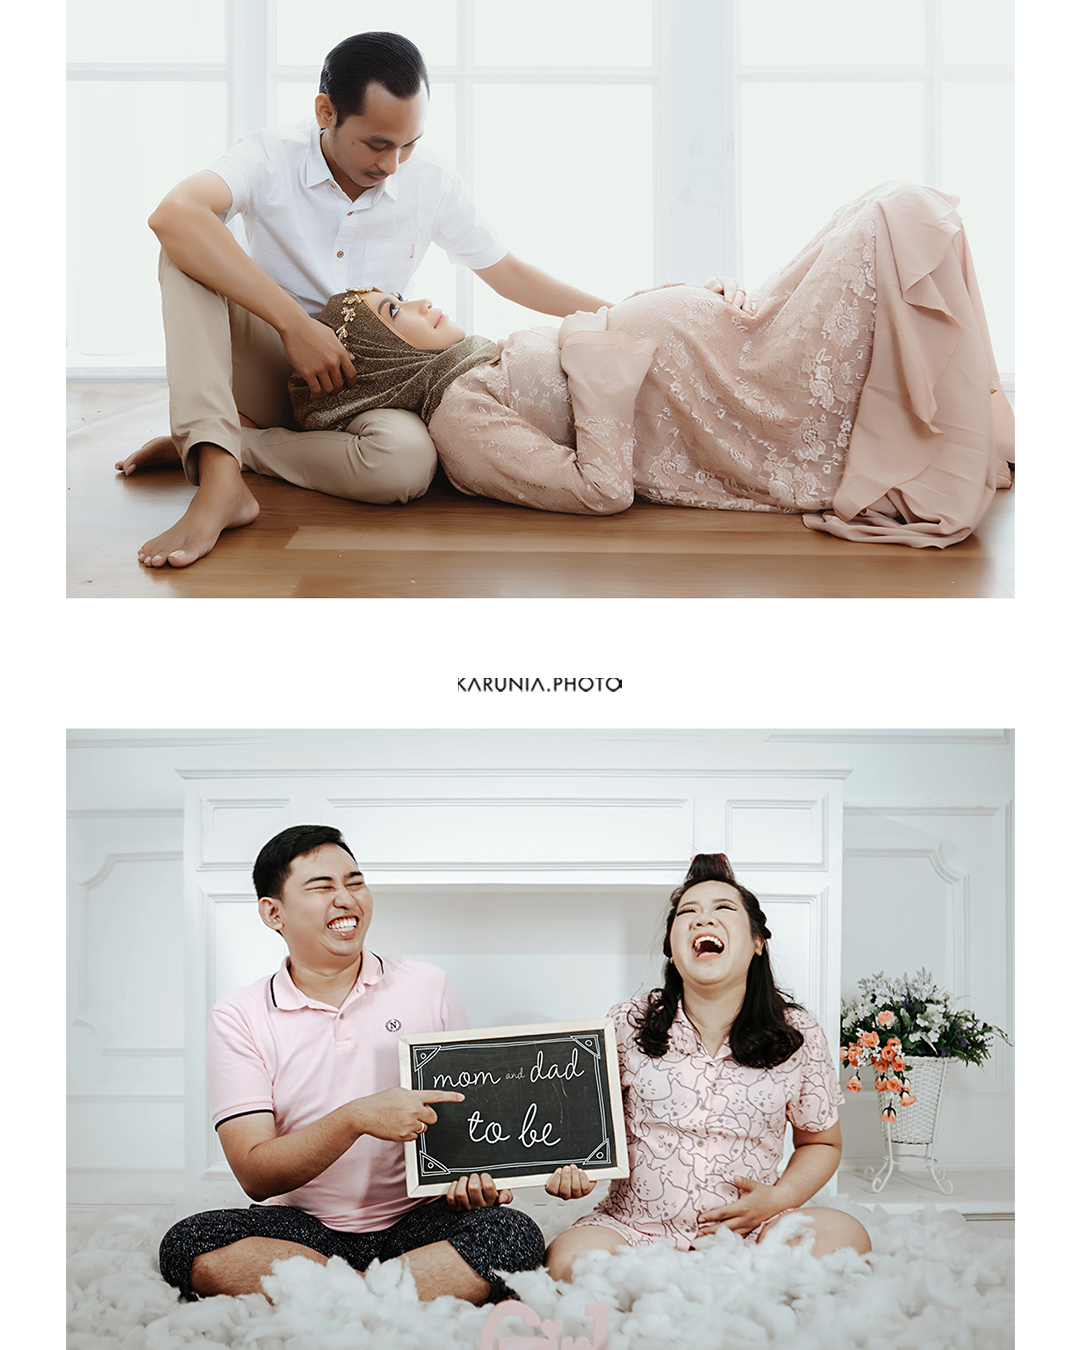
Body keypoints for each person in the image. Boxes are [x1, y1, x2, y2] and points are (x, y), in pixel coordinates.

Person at [290, 182, 1014, 547]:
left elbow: (606, 336)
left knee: (892, 212)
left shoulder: (482, 363)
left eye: (403, 296)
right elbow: (598, 488)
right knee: (901, 218)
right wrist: (603, 369)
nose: (420, 306)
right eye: (395, 313)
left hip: (740, 344)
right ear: (382, 360)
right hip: (741, 400)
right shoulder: (459, 423)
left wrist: (693, 300)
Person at [117, 31, 610, 568]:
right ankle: (218, 480)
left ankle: (226, 443)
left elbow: (509, 273)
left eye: (409, 144)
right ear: (326, 112)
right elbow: (173, 215)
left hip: (369, 385)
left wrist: (618, 315)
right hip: (274, 363)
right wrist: (294, 327)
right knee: (184, 251)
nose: (393, 165)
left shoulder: (432, 182)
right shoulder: (270, 155)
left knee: (407, 466)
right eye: (377, 144)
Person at [158, 825, 545, 1304]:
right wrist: (356, 1118)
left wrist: (472, 1183)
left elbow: (466, 1133)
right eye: (322, 887)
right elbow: (256, 1175)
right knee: (186, 1243)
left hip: (417, 1220)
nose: (346, 899)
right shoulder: (238, 1014)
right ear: (272, 912)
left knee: (514, 1233)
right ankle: (390, 1296)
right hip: (303, 1231)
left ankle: (340, 1300)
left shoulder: (428, 984)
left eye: (355, 882)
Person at [542, 853, 871, 1282]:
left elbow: (822, 1143)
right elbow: (585, 1135)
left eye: (723, 909)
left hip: (751, 1233)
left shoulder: (799, 1033)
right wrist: (575, 1170)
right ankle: (692, 1289)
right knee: (570, 1263)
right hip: (634, 1229)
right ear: (673, 952)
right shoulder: (626, 1023)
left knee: (846, 1239)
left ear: (757, 942)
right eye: (687, 914)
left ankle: (722, 1287)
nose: (702, 921)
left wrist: (777, 1200)